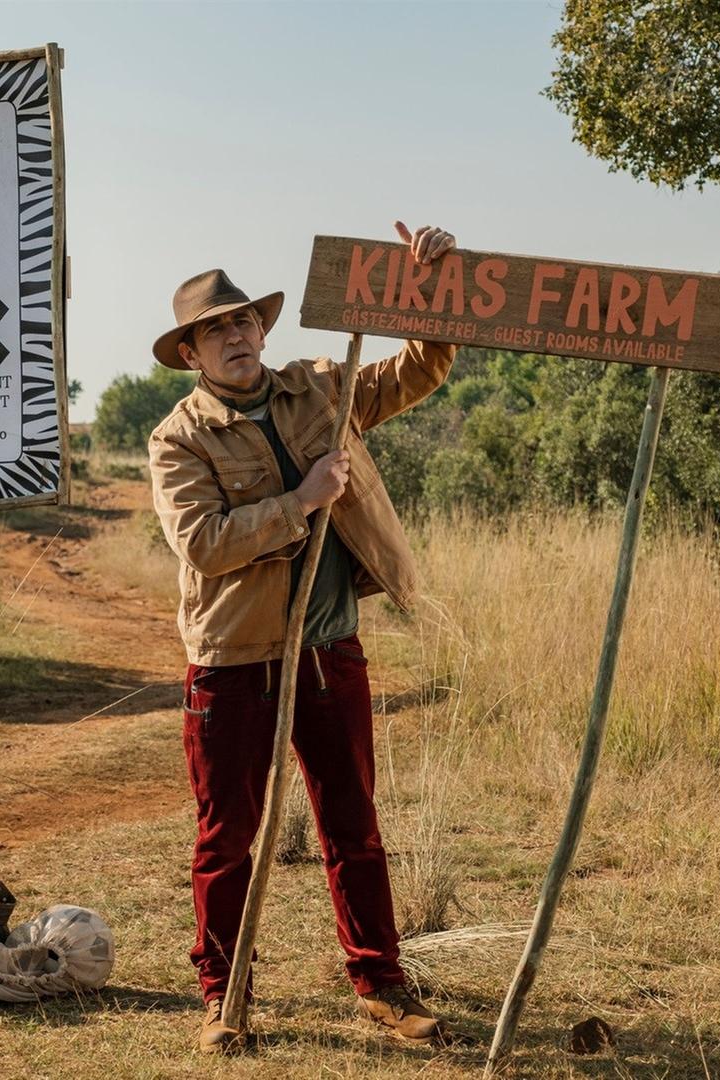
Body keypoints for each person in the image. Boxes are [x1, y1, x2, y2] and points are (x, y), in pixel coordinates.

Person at [146, 222, 460, 1054]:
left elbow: (420, 367)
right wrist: (305, 501)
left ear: (263, 328)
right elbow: (205, 543)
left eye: (243, 319)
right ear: (191, 353)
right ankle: (224, 998)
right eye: (214, 329)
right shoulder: (178, 438)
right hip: (234, 660)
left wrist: (425, 289)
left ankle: (381, 985)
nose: (234, 335)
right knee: (227, 837)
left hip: (327, 649)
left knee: (352, 821)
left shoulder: (324, 385)